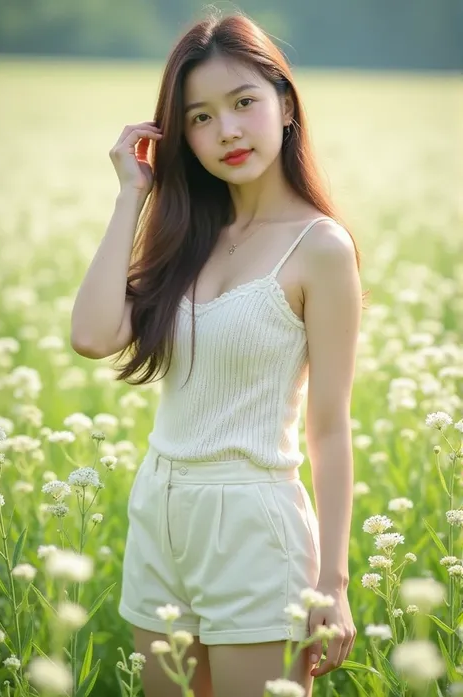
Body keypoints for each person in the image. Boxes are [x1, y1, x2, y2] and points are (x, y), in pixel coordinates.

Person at [70, 11, 363, 697]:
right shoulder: (190, 236)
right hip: (160, 510)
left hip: (255, 526)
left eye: (243, 103)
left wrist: (334, 583)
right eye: (199, 117)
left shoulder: (320, 248)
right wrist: (131, 196)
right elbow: (92, 335)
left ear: (285, 105)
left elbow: (329, 426)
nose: (226, 131)